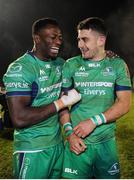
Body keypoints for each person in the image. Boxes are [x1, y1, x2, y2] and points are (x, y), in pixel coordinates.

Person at [3, 18, 81, 179]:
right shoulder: (21, 69)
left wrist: (105, 54)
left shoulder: (60, 64)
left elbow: (84, 64)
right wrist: (62, 102)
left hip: (57, 146)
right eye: (52, 37)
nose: (58, 41)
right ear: (37, 39)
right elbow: (19, 118)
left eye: (60, 37)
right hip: (32, 149)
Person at [60, 17, 132, 179]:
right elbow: (63, 105)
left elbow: (125, 103)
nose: (79, 45)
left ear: (101, 40)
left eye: (85, 39)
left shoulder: (117, 65)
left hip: (106, 145)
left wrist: (94, 121)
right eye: (78, 39)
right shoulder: (71, 65)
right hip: (76, 144)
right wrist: (70, 134)